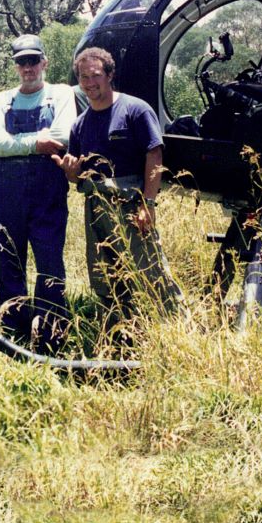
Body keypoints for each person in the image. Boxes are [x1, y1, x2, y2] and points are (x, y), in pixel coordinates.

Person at [53, 46, 181, 324]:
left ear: (110, 75)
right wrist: (70, 172)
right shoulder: (80, 125)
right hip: (96, 208)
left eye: (95, 75)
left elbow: (154, 154)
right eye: (83, 77)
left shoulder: (135, 109)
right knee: (104, 275)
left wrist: (148, 204)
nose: (89, 83)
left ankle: (176, 329)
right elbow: (78, 176)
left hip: (131, 203)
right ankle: (118, 333)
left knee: (150, 270)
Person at [0, 34, 77, 351]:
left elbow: (64, 135)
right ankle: (14, 329)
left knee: (49, 258)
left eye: (33, 60)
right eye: (22, 62)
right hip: (3, 189)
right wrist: (37, 143)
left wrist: (15, 144)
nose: (28, 67)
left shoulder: (60, 95)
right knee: (8, 258)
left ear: (44, 63)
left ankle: (51, 334)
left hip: (47, 189)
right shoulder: (1, 100)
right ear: (16, 66)